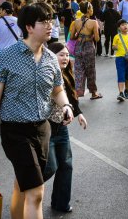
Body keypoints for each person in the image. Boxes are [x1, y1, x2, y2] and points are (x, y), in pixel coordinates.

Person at [0, 2, 74, 219]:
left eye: (51, 20)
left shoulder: (51, 58)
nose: (50, 25)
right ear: (29, 27)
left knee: (22, 187)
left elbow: (57, 90)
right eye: (44, 21)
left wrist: (66, 105)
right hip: (15, 132)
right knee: (36, 192)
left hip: (42, 130)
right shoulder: (6, 57)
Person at [43, 42, 87, 213]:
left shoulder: (67, 75)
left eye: (67, 55)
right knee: (50, 167)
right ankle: (27, 192)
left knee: (66, 165)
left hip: (61, 128)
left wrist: (78, 113)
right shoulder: (46, 75)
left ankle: (61, 203)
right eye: (61, 54)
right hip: (46, 129)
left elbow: (71, 98)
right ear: (51, 56)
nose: (65, 58)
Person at [70, 1, 103, 100]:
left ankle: (77, 94)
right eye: (91, 8)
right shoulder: (93, 22)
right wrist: (92, 34)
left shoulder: (76, 22)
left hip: (78, 47)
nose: (92, 10)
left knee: (79, 70)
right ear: (88, 10)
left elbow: (72, 37)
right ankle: (94, 93)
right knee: (90, 71)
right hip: (89, 47)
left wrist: (80, 36)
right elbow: (97, 39)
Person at [112, 19, 128, 101]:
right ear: (119, 28)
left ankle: (126, 90)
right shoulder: (116, 37)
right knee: (121, 75)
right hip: (120, 58)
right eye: (122, 25)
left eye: (126, 24)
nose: (125, 26)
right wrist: (115, 47)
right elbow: (113, 46)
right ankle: (121, 93)